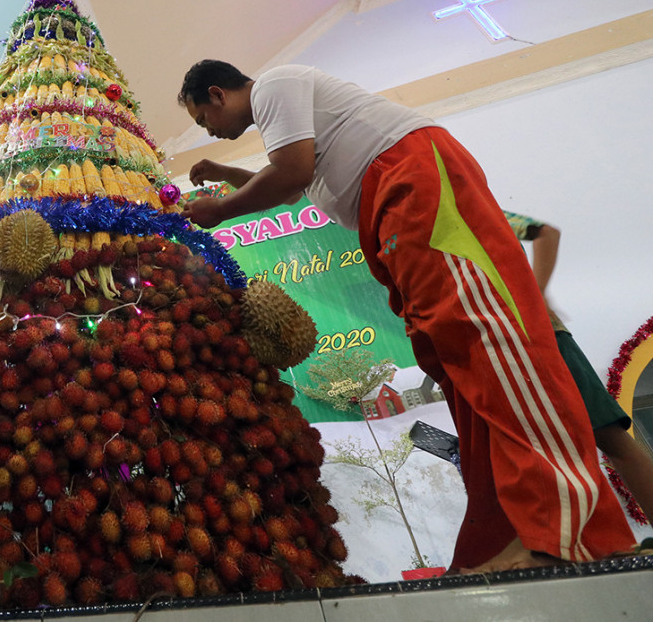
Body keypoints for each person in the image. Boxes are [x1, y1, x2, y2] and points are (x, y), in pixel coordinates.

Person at [177, 60, 635, 572]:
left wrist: (220, 212)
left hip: (412, 178)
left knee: (480, 337)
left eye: (202, 119)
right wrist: (226, 180)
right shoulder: (301, 133)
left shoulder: (276, 85)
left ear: (217, 94)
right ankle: (515, 533)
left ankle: (567, 532)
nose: (210, 132)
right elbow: (289, 188)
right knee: (453, 358)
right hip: (387, 208)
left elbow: (291, 173)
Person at [506, 210, 653, 521]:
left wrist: (536, 295)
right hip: (504, 349)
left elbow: (545, 232)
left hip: (544, 338)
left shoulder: (475, 207)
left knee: (610, 438)